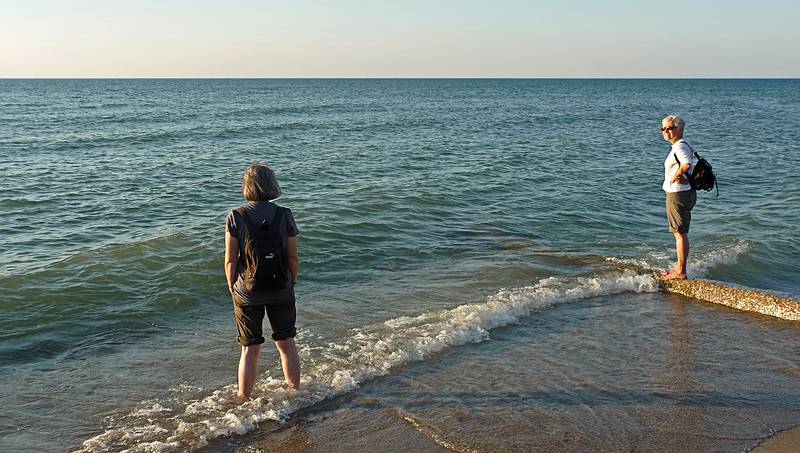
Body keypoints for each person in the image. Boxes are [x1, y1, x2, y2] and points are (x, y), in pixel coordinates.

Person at [225, 163, 301, 400]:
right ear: (272, 185)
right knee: (286, 344)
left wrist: (232, 287)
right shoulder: (284, 214)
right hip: (281, 288)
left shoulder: (236, 216)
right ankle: (295, 394)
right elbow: (292, 256)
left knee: (249, 349)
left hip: (247, 292)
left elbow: (230, 260)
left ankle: (244, 399)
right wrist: (292, 281)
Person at [660, 115, 697, 281]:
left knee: (679, 234)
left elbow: (686, 164)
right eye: (664, 128)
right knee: (681, 232)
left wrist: (677, 175)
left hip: (678, 194)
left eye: (670, 128)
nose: (666, 131)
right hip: (686, 192)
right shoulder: (683, 144)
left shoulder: (679, 147)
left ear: (680, 129)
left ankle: (681, 272)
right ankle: (680, 268)